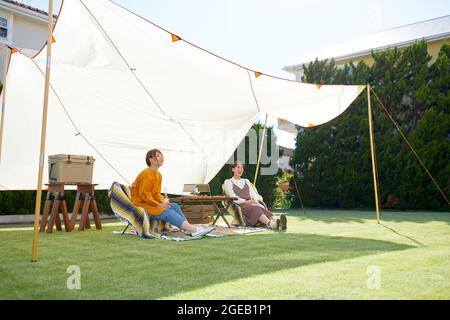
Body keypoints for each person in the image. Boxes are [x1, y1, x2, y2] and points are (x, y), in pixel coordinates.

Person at [131, 149, 215, 237]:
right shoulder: (146, 173)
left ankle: (189, 229)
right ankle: (194, 230)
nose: (161, 158)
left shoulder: (158, 175)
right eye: (158, 156)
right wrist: (158, 205)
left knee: (174, 206)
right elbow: (144, 194)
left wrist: (163, 200)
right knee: (168, 213)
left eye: (161, 155)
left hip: (150, 203)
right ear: (151, 159)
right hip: (141, 205)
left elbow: (156, 193)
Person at [223, 161, 287, 230]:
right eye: (238, 167)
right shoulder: (228, 182)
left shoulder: (246, 181)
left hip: (251, 203)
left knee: (259, 205)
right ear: (233, 169)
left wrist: (254, 200)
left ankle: (278, 221)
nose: (240, 170)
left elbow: (253, 194)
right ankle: (270, 224)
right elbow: (232, 196)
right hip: (240, 206)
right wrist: (245, 201)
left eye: (242, 168)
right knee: (256, 207)